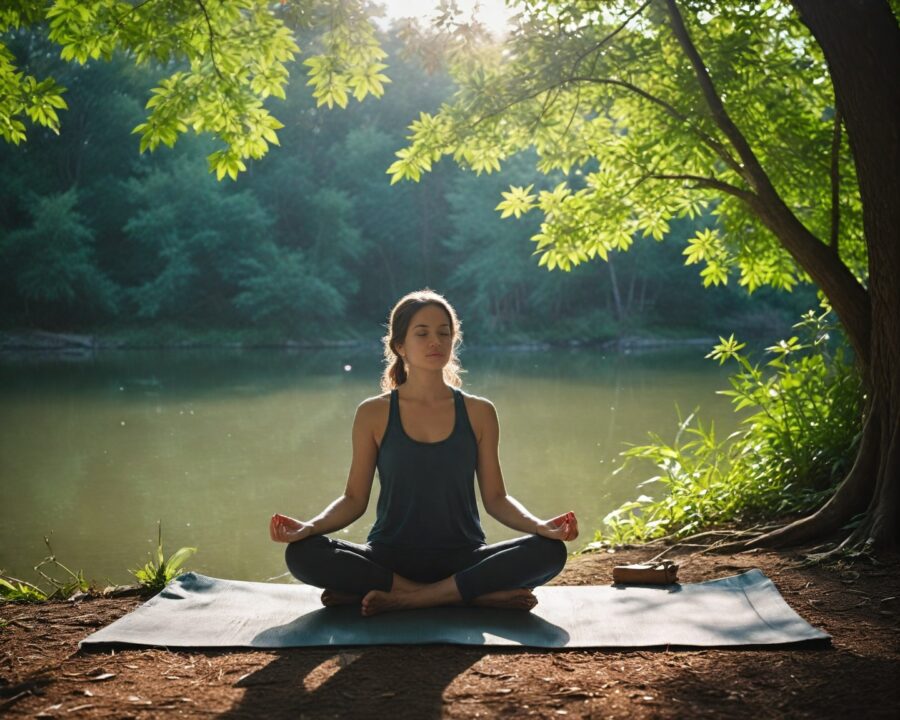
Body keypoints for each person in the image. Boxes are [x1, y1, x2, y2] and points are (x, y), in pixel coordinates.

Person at [269, 289, 578, 617]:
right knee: (301, 553)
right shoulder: (373, 413)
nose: (435, 342)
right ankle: (463, 595)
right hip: (390, 558)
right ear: (400, 345)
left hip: (464, 557)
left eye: (444, 333)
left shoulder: (479, 412)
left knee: (549, 551)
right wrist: (309, 527)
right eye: (422, 333)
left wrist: (540, 526)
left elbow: (497, 499)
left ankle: (407, 597)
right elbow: (353, 499)